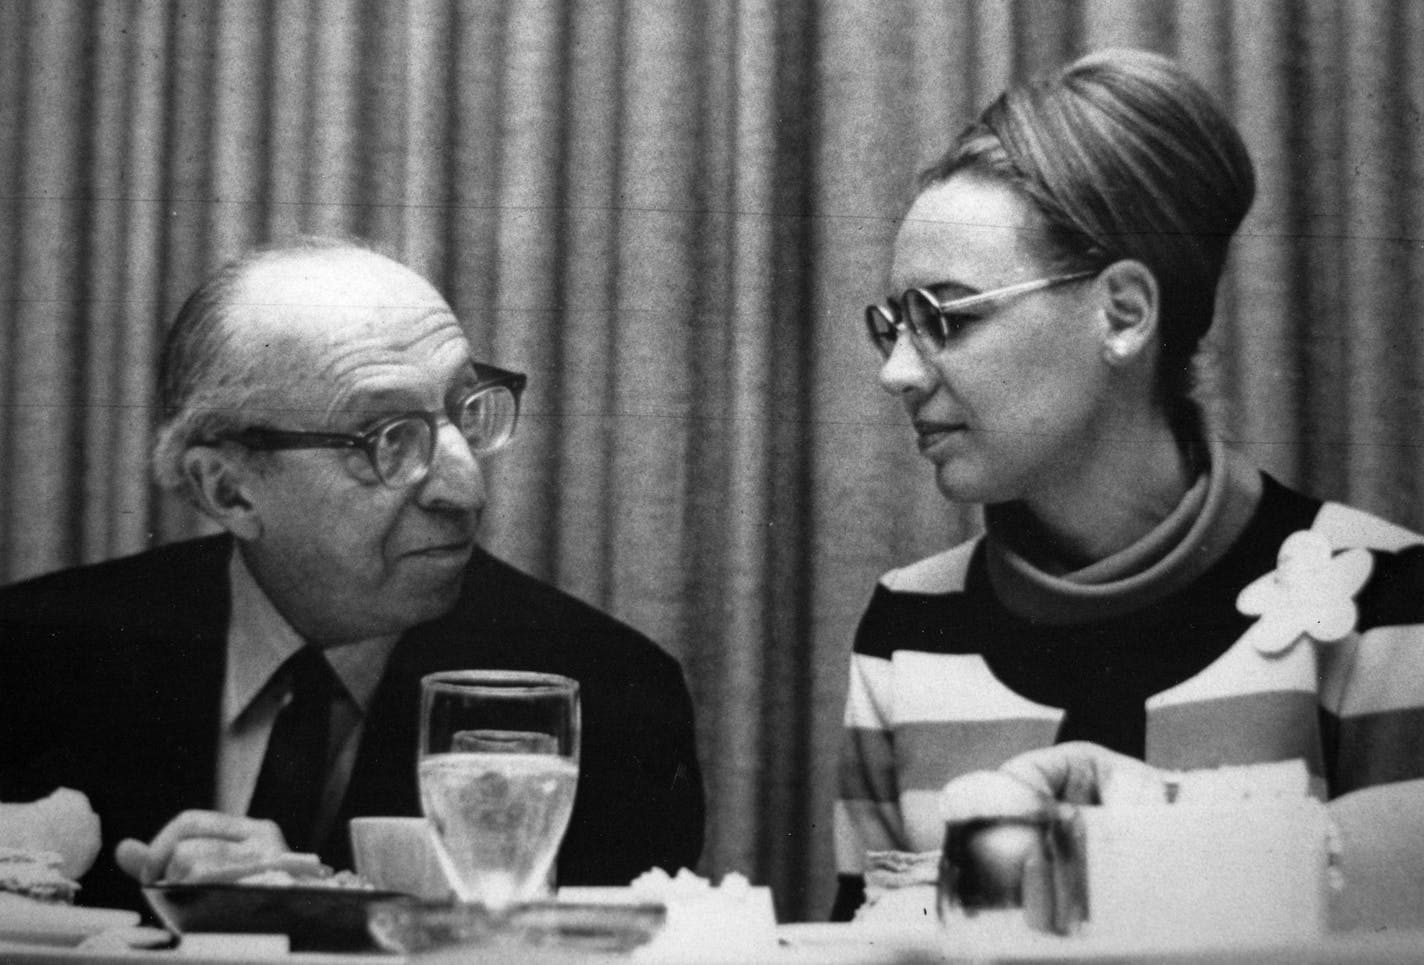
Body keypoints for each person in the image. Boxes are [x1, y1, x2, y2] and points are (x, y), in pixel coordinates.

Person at [833, 49, 1424, 927]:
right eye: (894, 324)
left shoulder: (1379, 599)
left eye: (946, 318)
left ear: (1124, 313)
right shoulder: (905, 628)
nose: (898, 372)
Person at [0, 238, 704, 912]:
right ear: (228, 490)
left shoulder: (610, 695)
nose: (466, 490)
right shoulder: (32, 658)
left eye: (466, 411)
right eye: (385, 440)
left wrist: (329, 916)